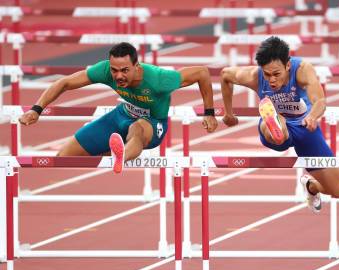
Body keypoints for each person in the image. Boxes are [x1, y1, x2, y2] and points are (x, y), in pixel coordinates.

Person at [19, 42, 218, 173]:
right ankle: (112, 150)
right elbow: (65, 83)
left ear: (137, 66)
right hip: (121, 115)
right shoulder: (105, 70)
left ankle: (119, 157)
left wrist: (209, 113)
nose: (118, 76)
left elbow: (202, 72)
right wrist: (36, 109)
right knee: (63, 158)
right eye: (114, 70)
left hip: (153, 123)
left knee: (137, 129)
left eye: (124, 70)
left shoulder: (158, 79)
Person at [220, 36, 339, 213]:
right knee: (276, 129)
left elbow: (320, 101)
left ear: (287, 65)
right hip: (274, 129)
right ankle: (275, 123)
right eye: (267, 74)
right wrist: (228, 113)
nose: (271, 80)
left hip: (305, 127)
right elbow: (225, 74)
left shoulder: (302, 69)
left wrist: (312, 117)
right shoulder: (255, 76)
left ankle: (311, 187)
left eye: (276, 74)